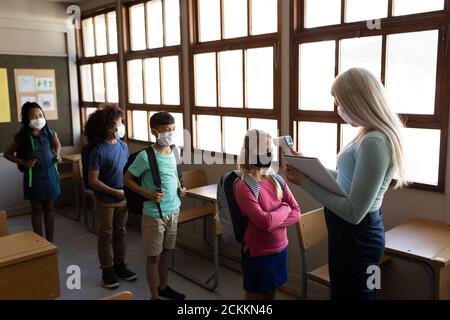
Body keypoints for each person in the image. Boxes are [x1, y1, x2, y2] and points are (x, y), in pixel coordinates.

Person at [285, 68, 407, 299]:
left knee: (353, 295)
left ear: (357, 101)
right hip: (349, 234)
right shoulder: (366, 133)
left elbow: (354, 213)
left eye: (341, 102)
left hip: (357, 237)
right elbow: (346, 178)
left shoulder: (375, 143)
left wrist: (305, 183)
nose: (339, 109)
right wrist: (307, 166)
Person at [123, 111, 186, 300]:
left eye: (173, 130)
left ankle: (163, 287)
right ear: (154, 131)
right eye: (166, 130)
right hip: (154, 214)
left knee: (167, 252)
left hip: (173, 210)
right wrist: (148, 194)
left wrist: (181, 188)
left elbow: (174, 175)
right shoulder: (145, 156)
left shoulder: (174, 150)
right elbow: (127, 180)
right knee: (153, 257)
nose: (170, 134)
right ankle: (154, 296)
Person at [234, 129, 301, 300]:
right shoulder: (244, 185)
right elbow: (265, 222)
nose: (268, 154)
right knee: (255, 295)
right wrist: (284, 208)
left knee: (271, 291)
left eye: (270, 150)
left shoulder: (276, 179)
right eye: (263, 150)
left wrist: (273, 219)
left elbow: (297, 212)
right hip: (258, 252)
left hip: (280, 248)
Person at [85, 105, 136, 289]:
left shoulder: (123, 146)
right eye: (118, 123)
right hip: (106, 202)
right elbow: (93, 181)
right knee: (105, 236)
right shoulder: (97, 150)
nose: (122, 126)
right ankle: (107, 270)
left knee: (120, 233)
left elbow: (128, 172)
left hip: (123, 200)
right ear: (107, 126)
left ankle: (120, 265)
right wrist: (115, 192)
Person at [4, 102, 61, 242]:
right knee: (36, 210)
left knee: (50, 208)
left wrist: (58, 154)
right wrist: (24, 163)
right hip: (34, 178)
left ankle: (50, 242)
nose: (38, 118)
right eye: (34, 116)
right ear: (26, 119)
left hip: (50, 176)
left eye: (40, 115)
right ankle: (39, 242)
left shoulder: (50, 132)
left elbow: (57, 144)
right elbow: (7, 154)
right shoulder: (23, 136)